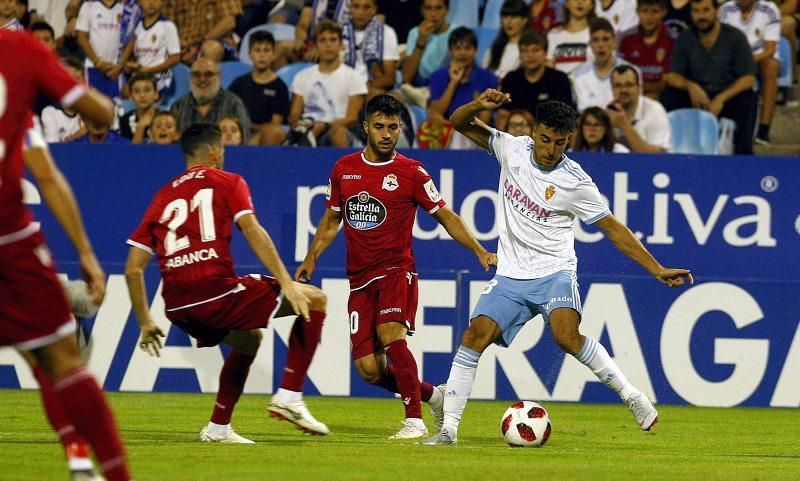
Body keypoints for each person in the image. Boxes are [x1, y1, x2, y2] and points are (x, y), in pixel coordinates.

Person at [422, 91, 694, 446]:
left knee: (566, 337)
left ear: (570, 139)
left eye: (560, 143)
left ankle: (633, 397)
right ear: (534, 131)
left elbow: (613, 229)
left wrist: (656, 268)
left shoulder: (576, 181)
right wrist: (478, 106)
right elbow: (457, 122)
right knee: (473, 337)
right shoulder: (511, 148)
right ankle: (449, 431)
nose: (550, 149)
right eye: (545, 139)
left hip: (554, 272)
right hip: (511, 275)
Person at [295, 94, 497, 439]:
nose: (386, 133)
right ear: (366, 128)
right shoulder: (344, 169)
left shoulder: (411, 172)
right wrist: (311, 257)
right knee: (369, 370)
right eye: (379, 126)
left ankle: (413, 420)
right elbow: (331, 220)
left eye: (392, 126)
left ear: (401, 128)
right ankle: (434, 396)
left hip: (395, 270)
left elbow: (446, 216)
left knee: (392, 336)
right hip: (358, 280)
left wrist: (479, 250)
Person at [125, 123, 330, 444]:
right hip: (215, 291)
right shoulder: (228, 181)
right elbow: (251, 229)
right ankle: (290, 395)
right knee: (315, 298)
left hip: (178, 307)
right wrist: (285, 282)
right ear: (215, 152)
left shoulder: (163, 196)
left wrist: (145, 322)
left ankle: (218, 428)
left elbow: (133, 270)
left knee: (248, 338)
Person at [0, 29, 132, 481]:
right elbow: (99, 113)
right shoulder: (19, 52)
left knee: (43, 358)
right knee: (56, 357)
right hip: (7, 238)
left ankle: (78, 458)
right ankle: (110, 471)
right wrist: (87, 255)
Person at [662, 0, 757, 154]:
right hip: (696, 98)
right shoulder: (685, 38)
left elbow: (749, 78)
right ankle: (673, 153)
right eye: (696, 11)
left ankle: (743, 159)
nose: (701, 16)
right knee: (671, 95)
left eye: (706, 10)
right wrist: (690, 86)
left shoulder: (735, 37)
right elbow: (672, 76)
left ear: (716, 10)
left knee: (747, 99)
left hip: (727, 97)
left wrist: (721, 98)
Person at [286, 21, 368, 147]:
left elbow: (352, 119)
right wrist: (300, 123)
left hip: (340, 130)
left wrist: (323, 126)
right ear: (315, 46)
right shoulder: (302, 76)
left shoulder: (354, 77)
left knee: (337, 133)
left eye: (333, 40)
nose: (328, 44)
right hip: (309, 128)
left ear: (341, 45)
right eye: (322, 40)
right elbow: (295, 114)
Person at [717, 0, 781, 144]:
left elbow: (770, 49)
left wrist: (746, 60)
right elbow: (720, 42)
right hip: (733, 57)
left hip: (760, 57)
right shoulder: (726, 10)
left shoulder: (769, 10)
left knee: (771, 66)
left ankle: (764, 129)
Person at [428, 27, 498, 149]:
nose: (462, 53)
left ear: (475, 50)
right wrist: (453, 83)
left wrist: (477, 105)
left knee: (460, 138)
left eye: (468, 48)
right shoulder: (438, 76)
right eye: (457, 48)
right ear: (450, 51)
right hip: (445, 132)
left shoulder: (488, 78)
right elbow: (436, 113)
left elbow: (484, 121)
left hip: (475, 133)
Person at [496, 29, 574, 131]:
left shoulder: (559, 79)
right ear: (519, 54)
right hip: (517, 136)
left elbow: (565, 117)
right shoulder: (511, 79)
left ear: (545, 53)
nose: (530, 55)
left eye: (535, 50)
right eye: (525, 50)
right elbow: (503, 115)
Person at [227, 30, 290, 146]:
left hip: (264, 138)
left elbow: (274, 125)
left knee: (271, 133)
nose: (262, 55)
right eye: (257, 50)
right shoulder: (238, 83)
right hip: (238, 135)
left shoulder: (280, 87)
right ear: (250, 53)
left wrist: (250, 126)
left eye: (266, 50)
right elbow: (229, 115)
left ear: (273, 54)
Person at [170, 57, 252, 140]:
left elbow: (244, 140)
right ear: (191, 77)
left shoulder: (234, 104)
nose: (202, 79)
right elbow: (170, 142)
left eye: (208, 74)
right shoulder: (178, 106)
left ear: (219, 77)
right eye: (196, 75)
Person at [572, 18, 639, 112]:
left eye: (606, 39)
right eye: (595, 40)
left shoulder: (632, 72)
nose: (601, 45)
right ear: (590, 43)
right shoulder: (577, 75)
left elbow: (635, 109)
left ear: (614, 42)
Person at [400, 0, 456, 106]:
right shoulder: (414, 33)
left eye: (438, 8)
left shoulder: (456, 32)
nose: (433, 14)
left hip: (446, 84)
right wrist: (421, 40)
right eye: (428, 8)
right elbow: (406, 78)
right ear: (422, 10)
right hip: (418, 85)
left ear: (447, 10)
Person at [606, 65, 673, 152]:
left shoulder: (655, 111)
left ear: (639, 88)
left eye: (629, 85)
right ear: (612, 88)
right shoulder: (609, 111)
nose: (623, 90)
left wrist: (624, 125)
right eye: (618, 86)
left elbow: (657, 159)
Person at [618, 0, 676, 100]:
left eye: (655, 11)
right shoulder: (626, 39)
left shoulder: (673, 40)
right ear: (637, 11)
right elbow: (620, 75)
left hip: (664, 98)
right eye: (644, 11)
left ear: (664, 12)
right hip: (630, 96)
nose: (649, 17)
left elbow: (669, 81)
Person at [342, 0, 400, 97]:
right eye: (356, 6)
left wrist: (361, 89)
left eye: (366, 7)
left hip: (372, 87)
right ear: (350, 8)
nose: (360, 12)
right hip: (343, 86)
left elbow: (389, 78)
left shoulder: (387, 33)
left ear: (374, 10)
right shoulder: (338, 32)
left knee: (378, 96)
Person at [123, 0, 181, 93]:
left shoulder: (168, 26)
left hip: (161, 77)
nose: (151, 2)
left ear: (162, 2)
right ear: (140, 2)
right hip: (140, 75)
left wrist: (150, 70)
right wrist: (131, 66)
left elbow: (175, 58)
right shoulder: (136, 27)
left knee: (141, 91)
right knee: (123, 93)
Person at [162, 0, 242, 64]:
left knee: (210, 48)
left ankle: (206, 82)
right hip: (184, 45)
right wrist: (180, 44)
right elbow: (167, 26)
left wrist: (199, 44)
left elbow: (229, 21)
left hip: (216, 41)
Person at [76, 0, 124, 98]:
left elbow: (131, 39)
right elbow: (81, 37)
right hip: (93, 67)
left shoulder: (124, 8)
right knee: (95, 105)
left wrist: (120, 65)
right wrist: (97, 62)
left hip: (117, 70)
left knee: (116, 107)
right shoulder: (88, 6)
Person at [483, 0, 530, 80]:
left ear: (524, 20)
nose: (508, 22)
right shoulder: (493, 49)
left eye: (513, 17)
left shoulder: (529, 50)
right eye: (505, 17)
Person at [547, 0, 596, 74]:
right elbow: (548, 66)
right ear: (566, 4)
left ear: (591, 5)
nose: (580, 2)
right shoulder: (553, 35)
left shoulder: (597, 34)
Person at [118, 73, 160, 143]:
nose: (142, 95)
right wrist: (140, 127)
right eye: (136, 91)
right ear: (131, 96)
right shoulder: (125, 120)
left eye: (147, 90)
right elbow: (128, 152)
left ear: (156, 94)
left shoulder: (164, 118)